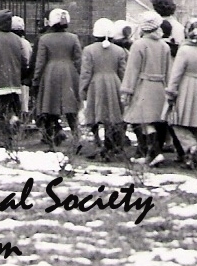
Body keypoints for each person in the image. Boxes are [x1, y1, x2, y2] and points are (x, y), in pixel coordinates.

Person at [121, 11, 173, 165]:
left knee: (139, 119)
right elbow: (168, 70)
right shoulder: (164, 46)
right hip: (160, 87)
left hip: (143, 87)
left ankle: (152, 151)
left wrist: (127, 90)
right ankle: (150, 152)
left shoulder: (139, 45)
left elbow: (132, 69)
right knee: (153, 120)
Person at [165, 18, 197, 169]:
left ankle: (192, 147)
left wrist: (171, 92)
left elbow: (176, 73)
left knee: (176, 121)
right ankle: (196, 156)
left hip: (186, 85)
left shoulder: (184, 50)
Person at [33, 9, 84, 150]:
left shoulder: (44, 39)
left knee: (49, 107)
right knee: (71, 108)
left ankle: (51, 141)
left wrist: (36, 79)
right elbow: (79, 59)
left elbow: (40, 62)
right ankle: (76, 138)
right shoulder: (73, 38)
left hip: (50, 73)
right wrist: (81, 76)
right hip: (69, 72)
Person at [80, 18, 128, 160]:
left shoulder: (89, 50)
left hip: (96, 84)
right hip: (114, 83)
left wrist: (83, 89)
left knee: (95, 113)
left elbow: (86, 72)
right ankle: (111, 144)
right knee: (112, 115)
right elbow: (123, 71)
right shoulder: (119, 50)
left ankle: (97, 143)